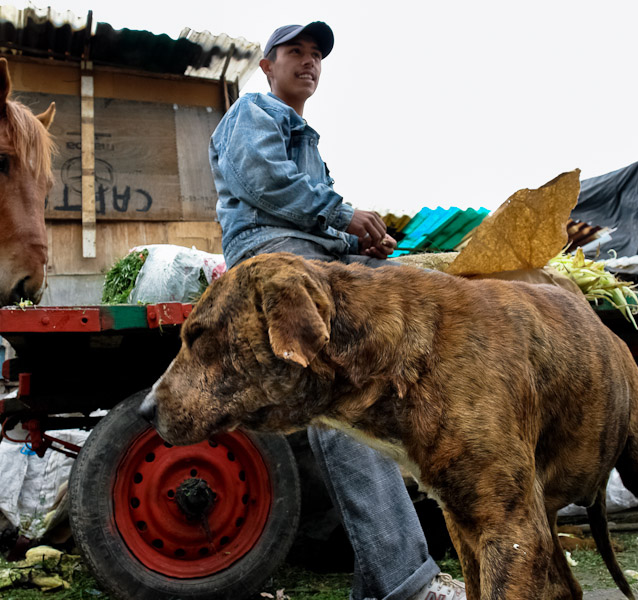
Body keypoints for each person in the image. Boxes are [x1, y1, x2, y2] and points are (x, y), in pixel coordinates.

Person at [209, 21, 467, 600]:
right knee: (343, 398)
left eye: (316, 55)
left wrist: (361, 243)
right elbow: (266, 184)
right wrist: (343, 215)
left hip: (315, 256)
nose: (309, 62)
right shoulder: (254, 113)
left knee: (422, 296)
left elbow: (323, 222)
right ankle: (407, 582)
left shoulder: (308, 138)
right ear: (267, 67)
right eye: (294, 52)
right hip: (273, 257)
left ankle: (388, 578)